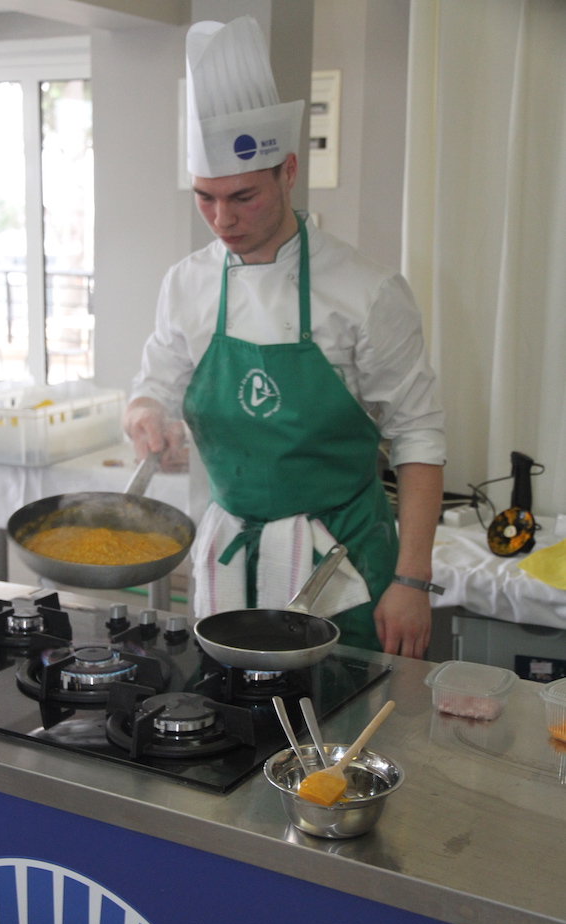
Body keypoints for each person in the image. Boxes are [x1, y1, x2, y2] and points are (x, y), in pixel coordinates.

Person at [124, 16, 445, 659]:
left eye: (243, 196)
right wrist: (144, 415)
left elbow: (419, 438)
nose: (223, 219)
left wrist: (411, 580)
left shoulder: (367, 291)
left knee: (344, 715)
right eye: (205, 198)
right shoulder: (186, 284)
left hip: (344, 569)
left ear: (288, 171)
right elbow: (153, 385)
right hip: (229, 562)